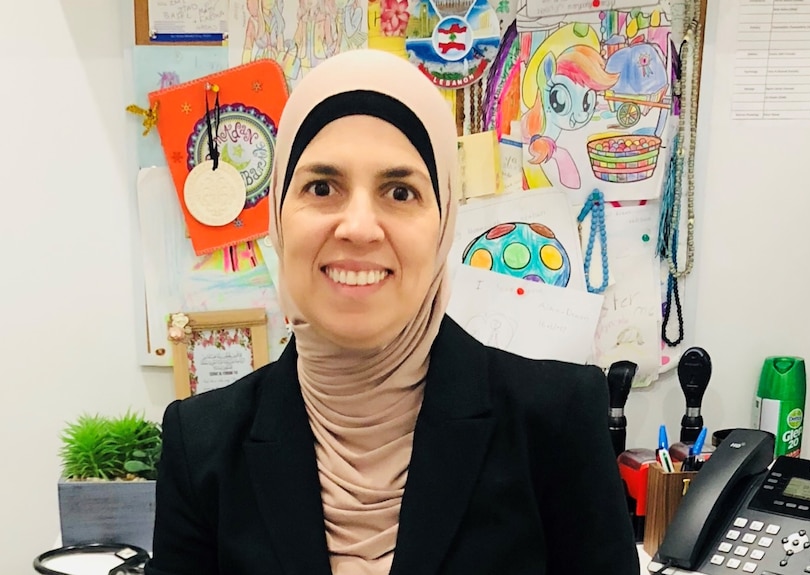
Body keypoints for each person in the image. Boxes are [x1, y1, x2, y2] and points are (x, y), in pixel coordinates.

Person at [144, 49, 639, 575]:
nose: (358, 227)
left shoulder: (556, 424)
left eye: (400, 191)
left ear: (444, 222)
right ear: (279, 220)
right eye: (321, 187)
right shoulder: (200, 445)